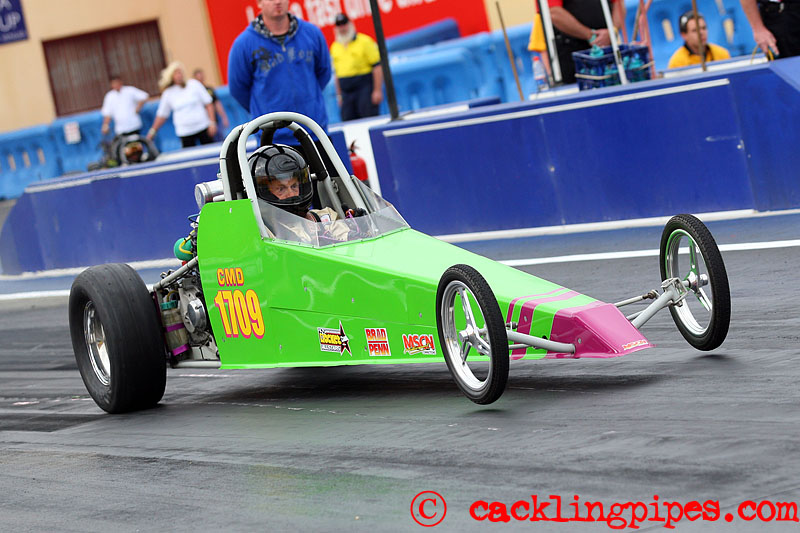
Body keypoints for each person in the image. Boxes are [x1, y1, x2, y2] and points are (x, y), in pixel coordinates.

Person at [228, 0, 332, 154]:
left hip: (315, 133)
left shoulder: (312, 33)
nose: (277, 2)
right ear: (259, 3)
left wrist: (310, 99)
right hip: (272, 141)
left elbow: (324, 72)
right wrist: (265, 110)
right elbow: (238, 88)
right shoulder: (244, 44)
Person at [249, 144, 352, 243]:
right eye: (281, 189)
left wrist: (356, 231)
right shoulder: (263, 232)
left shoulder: (323, 218)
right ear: (266, 193)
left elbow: (348, 241)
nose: (291, 194)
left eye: (294, 186)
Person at [538, 0, 626, 84]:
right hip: (571, 57)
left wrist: (612, 31)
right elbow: (553, 12)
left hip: (608, 52)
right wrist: (590, 35)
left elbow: (618, 4)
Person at [147, 62, 217, 148]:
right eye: (176, 73)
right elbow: (162, 115)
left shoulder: (194, 84)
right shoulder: (168, 93)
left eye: (180, 72)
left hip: (202, 127)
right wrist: (153, 131)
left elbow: (208, 103)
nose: (179, 75)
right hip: (185, 131)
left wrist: (212, 123)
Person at [330, 13, 383, 121]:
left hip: (363, 86)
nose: (342, 28)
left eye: (344, 24)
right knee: (348, 120)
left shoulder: (365, 41)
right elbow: (336, 74)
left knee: (368, 118)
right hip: (346, 90)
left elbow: (377, 67)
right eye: (339, 25)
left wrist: (377, 90)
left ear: (350, 24)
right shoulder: (335, 47)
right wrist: (339, 95)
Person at [192, 68, 230, 139]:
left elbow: (217, 103)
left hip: (214, 120)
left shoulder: (209, 90)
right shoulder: (193, 93)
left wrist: (224, 117)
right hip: (202, 124)